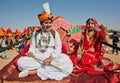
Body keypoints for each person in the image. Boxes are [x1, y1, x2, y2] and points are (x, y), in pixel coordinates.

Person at [17, 11, 73, 80]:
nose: (48, 25)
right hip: (38, 57)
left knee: (65, 60)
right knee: (21, 62)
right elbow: (32, 47)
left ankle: (33, 71)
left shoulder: (55, 33)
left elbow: (58, 48)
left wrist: (50, 58)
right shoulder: (35, 33)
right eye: (46, 23)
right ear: (41, 23)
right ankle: (45, 69)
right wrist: (31, 52)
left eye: (50, 23)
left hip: (52, 57)